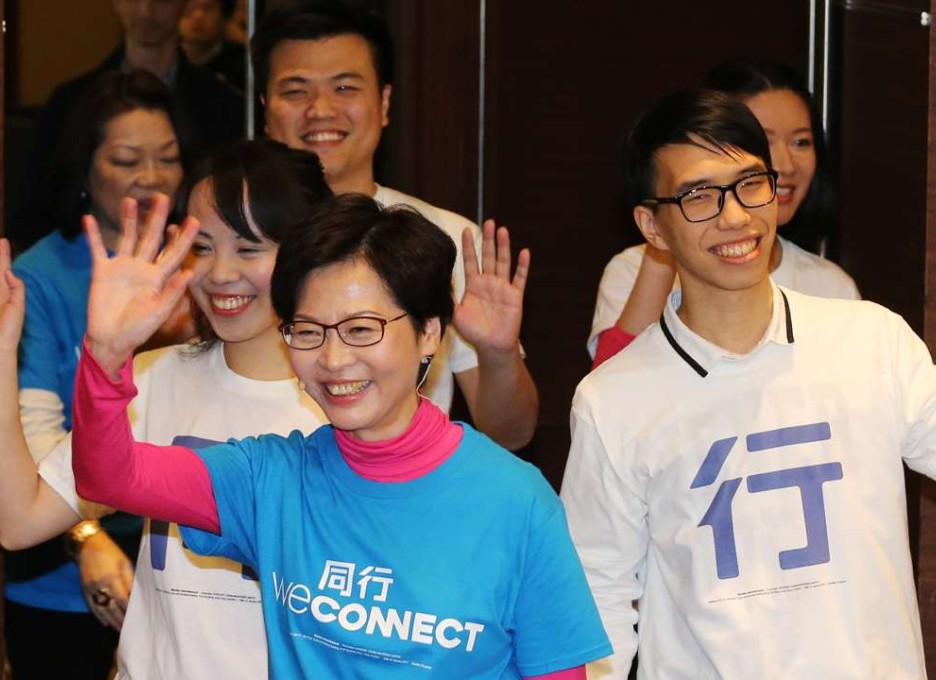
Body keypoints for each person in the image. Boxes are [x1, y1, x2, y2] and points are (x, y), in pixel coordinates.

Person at [65, 193, 612, 677]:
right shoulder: (270, 478)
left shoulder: (516, 501)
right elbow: (112, 477)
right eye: (307, 331)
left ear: (428, 333)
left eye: (360, 329)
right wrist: (107, 356)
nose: (331, 359)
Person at [560, 89, 936, 678]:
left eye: (750, 183)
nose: (736, 216)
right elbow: (597, 604)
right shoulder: (612, 400)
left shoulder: (869, 338)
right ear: (652, 225)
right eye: (699, 196)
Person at [0, 139, 332, 678]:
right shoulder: (156, 377)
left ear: (308, 250)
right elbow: (19, 519)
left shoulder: (343, 402)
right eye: (202, 247)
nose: (219, 274)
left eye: (248, 248)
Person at [251, 0, 539, 450]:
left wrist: (497, 353)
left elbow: (511, 433)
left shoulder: (443, 239)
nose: (321, 109)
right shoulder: (235, 245)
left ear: (384, 103)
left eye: (345, 87)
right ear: (265, 109)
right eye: (296, 91)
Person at [3, 69, 187, 680]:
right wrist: (86, 536)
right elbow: (33, 433)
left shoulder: (200, 261)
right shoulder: (44, 277)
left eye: (167, 157)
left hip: (185, 562)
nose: (152, 177)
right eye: (128, 159)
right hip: (67, 566)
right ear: (85, 170)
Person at [588, 61, 858, 368]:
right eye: (763, 139)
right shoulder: (630, 269)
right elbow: (616, 390)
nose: (784, 164)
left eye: (800, 142)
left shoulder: (832, 287)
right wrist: (666, 236)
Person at [14, 0, 243, 250]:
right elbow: (36, 209)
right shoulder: (70, 100)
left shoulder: (225, 104)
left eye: (168, 159)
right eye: (127, 161)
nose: (146, 10)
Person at [180, 0, 247, 91]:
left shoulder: (241, 63)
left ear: (225, 17)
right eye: (191, 8)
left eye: (207, 9)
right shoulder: (168, 60)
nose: (198, 16)